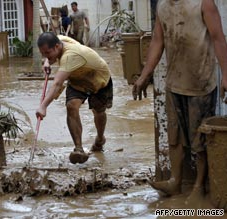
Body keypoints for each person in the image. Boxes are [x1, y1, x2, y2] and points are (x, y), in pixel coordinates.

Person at [132, 0, 227, 201]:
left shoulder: (203, 3)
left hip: (200, 82)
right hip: (174, 82)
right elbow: (158, 41)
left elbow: (218, 38)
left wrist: (226, 74)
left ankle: (200, 186)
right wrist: (144, 76)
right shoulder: (163, 6)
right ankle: (175, 181)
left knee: (199, 140)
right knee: (174, 136)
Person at [36, 32, 113, 164]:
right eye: (43, 54)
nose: (45, 57)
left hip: (98, 79)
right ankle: (78, 149)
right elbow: (55, 43)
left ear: (57, 47)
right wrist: (48, 61)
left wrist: (43, 106)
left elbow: (57, 84)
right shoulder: (59, 40)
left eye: (48, 53)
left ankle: (100, 139)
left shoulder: (70, 56)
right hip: (77, 79)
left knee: (98, 112)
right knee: (71, 105)